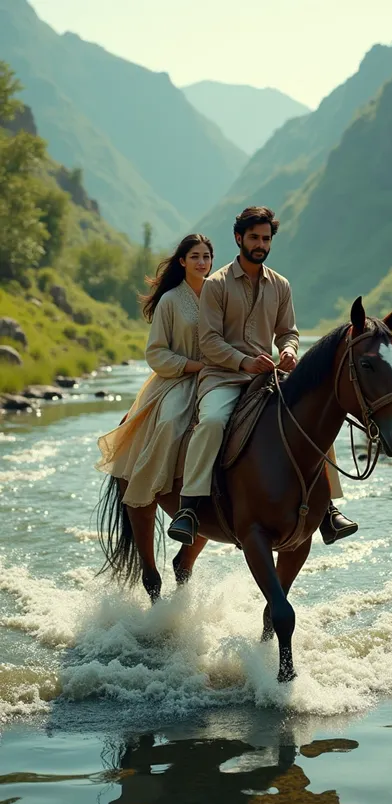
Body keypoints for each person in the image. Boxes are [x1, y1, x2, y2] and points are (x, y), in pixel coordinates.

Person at [167, 207, 358, 546]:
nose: (260, 244)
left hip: (268, 378)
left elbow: (289, 331)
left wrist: (289, 351)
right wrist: (243, 362)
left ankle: (327, 509)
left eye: (265, 238)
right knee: (211, 422)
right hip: (222, 378)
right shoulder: (216, 285)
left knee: (315, 421)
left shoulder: (281, 285)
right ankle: (190, 507)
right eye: (253, 237)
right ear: (239, 238)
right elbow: (208, 341)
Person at [95, 234, 213, 599]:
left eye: (207, 257)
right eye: (195, 256)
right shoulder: (170, 301)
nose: (202, 262)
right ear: (182, 261)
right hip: (177, 380)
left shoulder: (219, 293)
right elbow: (156, 353)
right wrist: (193, 365)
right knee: (169, 421)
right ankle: (149, 485)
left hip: (219, 377)